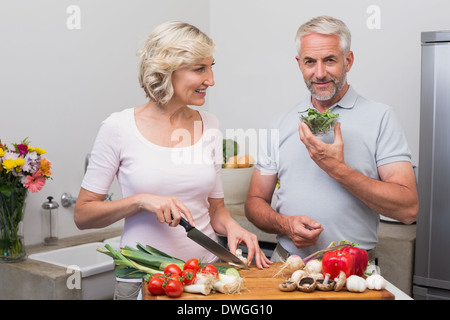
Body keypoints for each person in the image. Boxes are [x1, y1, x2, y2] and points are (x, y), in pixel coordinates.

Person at [74, 21, 271, 300]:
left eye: (211, 67)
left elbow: (216, 210)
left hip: (204, 276)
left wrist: (233, 227)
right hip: (143, 276)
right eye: (200, 69)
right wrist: (140, 200)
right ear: (166, 70)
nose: (211, 80)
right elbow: (83, 215)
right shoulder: (118, 128)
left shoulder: (210, 125)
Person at [245, 16, 419, 262]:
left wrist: (337, 169)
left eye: (329, 60)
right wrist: (285, 224)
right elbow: (254, 202)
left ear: (348, 60)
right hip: (286, 263)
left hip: (353, 270)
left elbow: (408, 209)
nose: (319, 73)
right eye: (310, 62)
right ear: (299, 64)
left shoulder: (381, 118)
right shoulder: (280, 123)